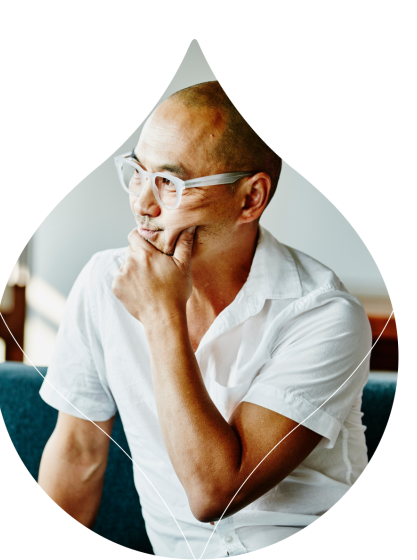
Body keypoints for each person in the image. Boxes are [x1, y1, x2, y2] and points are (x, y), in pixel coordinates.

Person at [37, 81, 372, 558]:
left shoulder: (325, 315)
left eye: (170, 184)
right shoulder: (101, 283)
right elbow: (78, 453)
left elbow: (215, 493)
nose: (143, 204)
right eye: (138, 173)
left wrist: (161, 314)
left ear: (250, 199)